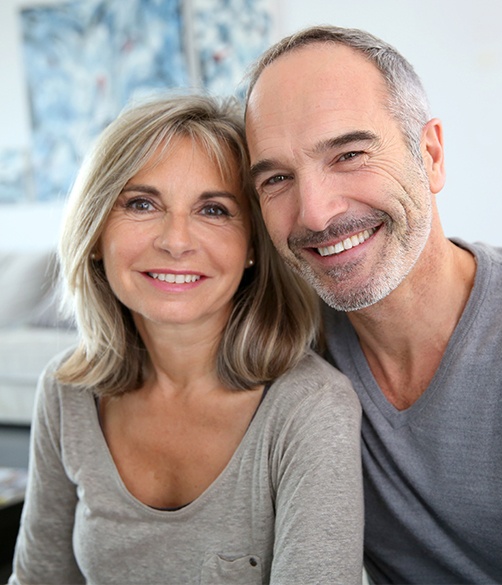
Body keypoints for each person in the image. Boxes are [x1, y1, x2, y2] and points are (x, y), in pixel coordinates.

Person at [9, 93, 364, 585]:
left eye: (214, 210)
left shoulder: (310, 408)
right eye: (141, 203)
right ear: (95, 233)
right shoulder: (67, 393)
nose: (176, 241)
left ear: (252, 248)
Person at [244, 24, 502, 584]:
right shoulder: (286, 348)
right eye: (277, 178)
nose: (315, 214)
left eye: (349, 154)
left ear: (430, 155)